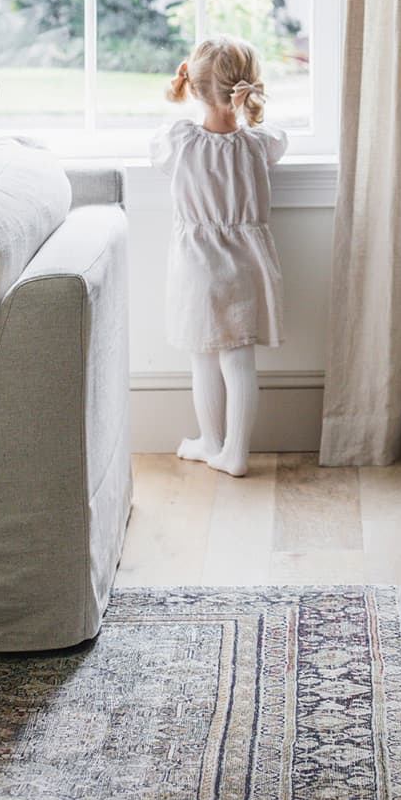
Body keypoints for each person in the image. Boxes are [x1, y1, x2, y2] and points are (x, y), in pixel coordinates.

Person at [150, 35, 287, 476]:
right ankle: (235, 452)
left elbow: (157, 153)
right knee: (240, 358)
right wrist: (248, 113)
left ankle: (212, 442)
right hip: (247, 264)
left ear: (192, 87)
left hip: (199, 267)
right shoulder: (257, 145)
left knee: (203, 354)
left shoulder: (180, 140)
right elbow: (278, 138)